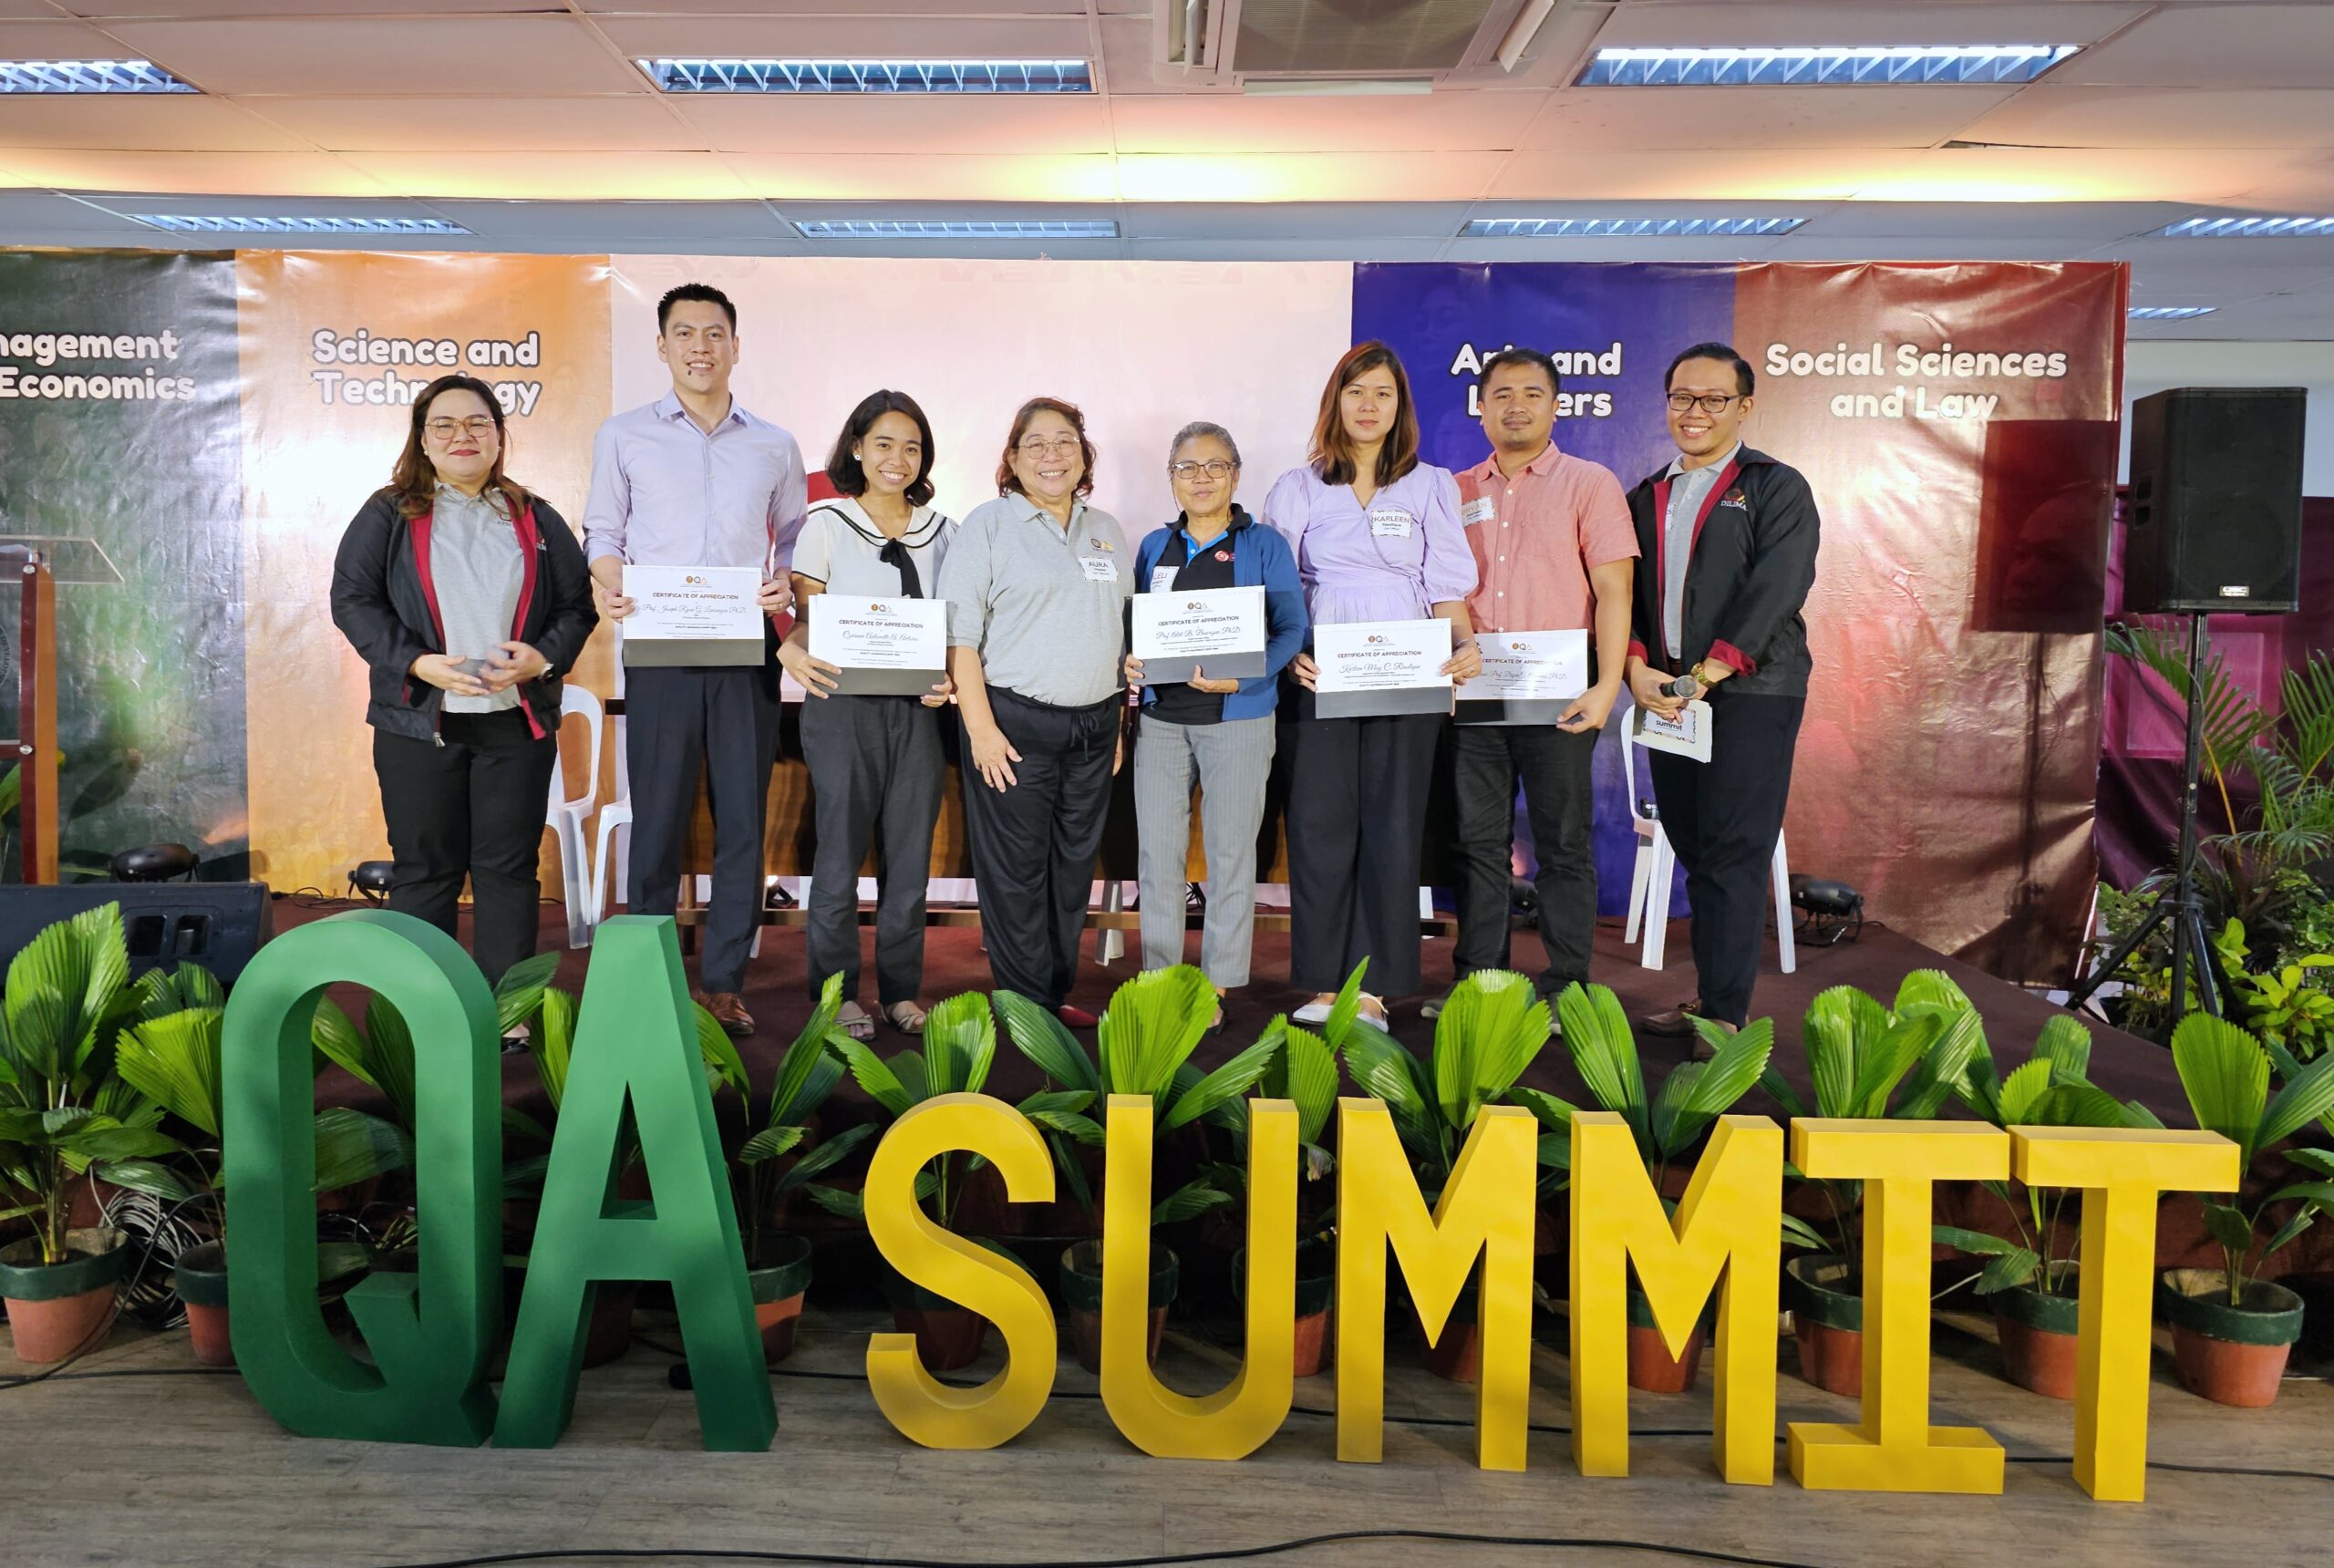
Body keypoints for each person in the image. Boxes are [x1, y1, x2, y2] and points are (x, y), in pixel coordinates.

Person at [582, 283, 806, 1037]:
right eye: (684, 333)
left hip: (746, 648)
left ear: (735, 345)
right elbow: (603, 533)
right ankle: (649, 979)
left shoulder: (774, 444)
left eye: (714, 333)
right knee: (658, 819)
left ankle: (723, 983)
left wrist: (786, 584)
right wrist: (609, 582)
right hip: (661, 648)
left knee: (743, 820)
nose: (700, 347)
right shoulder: (623, 435)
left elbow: (795, 539)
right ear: (662, 346)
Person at [330, 372, 597, 986]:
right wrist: (417, 663)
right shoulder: (387, 513)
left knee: (508, 871)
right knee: (426, 871)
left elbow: (576, 608)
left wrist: (541, 658)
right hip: (419, 722)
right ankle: (428, 1006)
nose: (463, 435)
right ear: (423, 440)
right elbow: (353, 600)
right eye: (444, 425)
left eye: (478, 423)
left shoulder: (535, 517)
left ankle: (508, 1009)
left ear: (499, 436)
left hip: (515, 723)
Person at [1265, 342, 1481, 1027]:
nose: (1368, 405)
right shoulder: (1297, 487)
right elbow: (1279, 586)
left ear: (1399, 406)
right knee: (1319, 826)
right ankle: (1324, 984)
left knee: (1392, 825)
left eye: (1382, 393)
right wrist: (1291, 653)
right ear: (1336, 402)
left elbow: (1446, 586)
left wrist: (1464, 645)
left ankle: (1374, 989)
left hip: (1409, 673)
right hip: (1320, 673)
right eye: (1355, 391)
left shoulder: (1432, 484)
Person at [1430, 347, 1637, 1019]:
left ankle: (1567, 987)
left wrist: (1608, 686)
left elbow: (1614, 590)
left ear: (1555, 406)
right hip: (1476, 689)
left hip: (1561, 692)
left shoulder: (1590, 483)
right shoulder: (1453, 490)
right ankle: (1480, 984)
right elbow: (1441, 586)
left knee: (1563, 843)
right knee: (1478, 844)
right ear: (1481, 408)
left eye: (1531, 394)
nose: (1515, 406)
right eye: (1502, 394)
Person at [1623, 341, 1819, 1037]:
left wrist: (1708, 673)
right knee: (1695, 847)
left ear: (1744, 406)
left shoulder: (1775, 486)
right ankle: (1709, 1003)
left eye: (1714, 399)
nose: (1695, 411)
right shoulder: (1645, 495)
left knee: (1735, 851)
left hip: (1751, 695)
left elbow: (1778, 588)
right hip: (1672, 699)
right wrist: (1638, 667)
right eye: (1682, 397)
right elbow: (1626, 596)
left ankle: (1726, 1019)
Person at [937, 397, 1132, 1028]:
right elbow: (960, 639)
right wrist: (980, 730)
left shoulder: (1107, 528)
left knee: (1072, 871)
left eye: (1065, 441)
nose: (1052, 455)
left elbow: (1121, 633)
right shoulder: (989, 526)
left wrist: (1119, 723)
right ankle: (1026, 1008)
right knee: (1017, 873)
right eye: (1036, 443)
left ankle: (1052, 992)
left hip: (1096, 726)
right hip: (1014, 725)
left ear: (1084, 454)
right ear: (1013, 458)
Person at [777, 391, 955, 1041]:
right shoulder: (826, 524)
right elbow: (806, 620)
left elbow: (958, 625)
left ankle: (901, 992)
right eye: (882, 443)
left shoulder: (946, 532)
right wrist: (790, 650)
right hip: (841, 708)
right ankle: (838, 994)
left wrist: (950, 679)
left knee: (910, 859)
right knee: (839, 856)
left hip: (918, 714)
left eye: (911, 447)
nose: (896, 458)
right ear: (856, 448)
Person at [1123, 423, 1306, 1028]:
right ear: (1171, 477)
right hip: (1161, 721)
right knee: (1158, 857)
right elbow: (1137, 626)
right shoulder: (1154, 545)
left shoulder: (1264, 544)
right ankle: (1160, 981)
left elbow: (1291, 630)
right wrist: (1131, 660)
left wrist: (1246, 679)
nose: (1200, 478)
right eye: (1187, 467)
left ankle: (1216, 988)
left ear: (1235, 474)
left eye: (1214, 466)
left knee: (1230, 856)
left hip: (1239, 721)